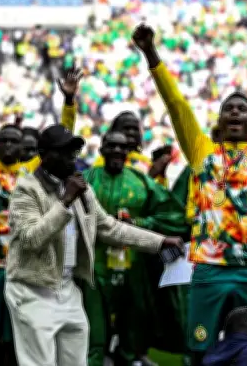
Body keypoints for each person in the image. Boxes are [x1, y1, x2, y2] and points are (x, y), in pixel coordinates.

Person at [131, 18, 247, 365]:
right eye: (229, 108)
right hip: (209, 267)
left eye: (243, 109)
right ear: (220, 121)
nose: (235, 112)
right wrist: (151, 55)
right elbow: (177, 105)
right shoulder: (202, 152)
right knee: (200, 352)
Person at [4, 124, 185, 366]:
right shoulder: (26, 190)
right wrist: (66, 200)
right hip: (32, 288)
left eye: (74, 150)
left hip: (67, 289)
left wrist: (160, 242)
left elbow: (109, 227)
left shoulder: (80, 187)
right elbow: (31, 239)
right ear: (44, 155)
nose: (72, 156)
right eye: (64, 151)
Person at [0, 58, 82, 366]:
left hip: (22, 267)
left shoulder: (31, 172)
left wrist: (68, 101)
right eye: (3, 140)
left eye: (14, 141)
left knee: (11, 342)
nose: (9, 145)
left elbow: (62, 141)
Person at [82, 131, 188, 366]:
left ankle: (129, 357)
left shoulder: (140, 181)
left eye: (122, 148)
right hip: (93, 264)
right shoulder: (87, 178)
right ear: (102, 150)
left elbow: (172, 214)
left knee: (134, 318)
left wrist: (140, 224)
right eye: (112, 146)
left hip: (134, 264)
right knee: (94, 323)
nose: (118, 152)